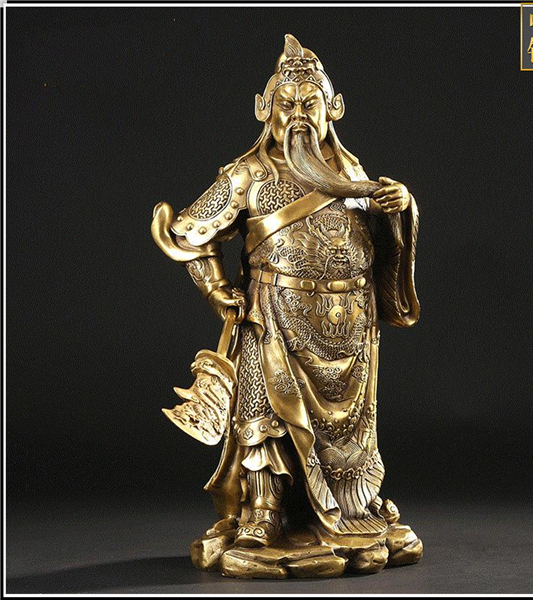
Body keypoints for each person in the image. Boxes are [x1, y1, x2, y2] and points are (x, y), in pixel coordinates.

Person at [153, 34, 420, 550]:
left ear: (333, 109)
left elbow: (379, 237)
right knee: (265, 419)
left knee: (350, 430)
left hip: (350, 328)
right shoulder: (249, 175)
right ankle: (264, 512)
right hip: (275, 319)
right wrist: (216, 288)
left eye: (310, 104)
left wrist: (399, 208)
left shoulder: (351, 173)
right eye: (286, 105)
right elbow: (189, 234)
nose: (298, 115)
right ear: (264, 110)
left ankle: (351, 504)